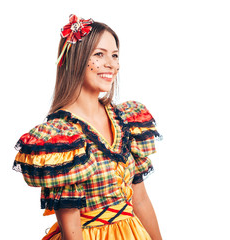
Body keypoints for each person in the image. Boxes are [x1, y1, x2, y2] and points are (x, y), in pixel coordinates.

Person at [12, 14, 163, 240]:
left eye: (114, 55)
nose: (111, 64)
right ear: (76, 59)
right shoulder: (61, 138)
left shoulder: (126, 119)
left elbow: (139, 200)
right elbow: (71, 227)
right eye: (99, 54)